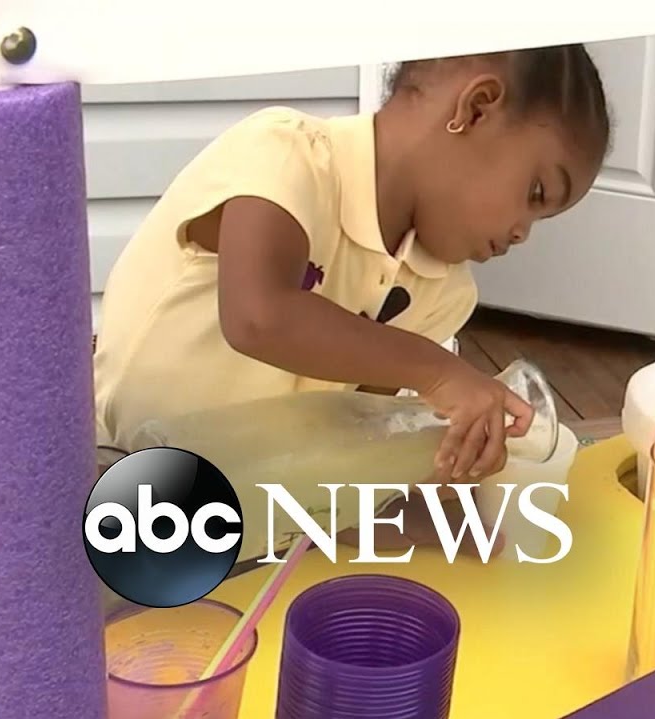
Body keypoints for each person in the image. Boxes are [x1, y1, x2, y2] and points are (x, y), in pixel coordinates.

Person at [92, 45, 611, 551]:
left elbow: (349, 436)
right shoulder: (286, 155)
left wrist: (443, 466)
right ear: (474, 109)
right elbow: (258, 316)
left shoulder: (442, 291)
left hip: (236, 525)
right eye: (536, 194)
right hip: (107, 477)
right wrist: (439, 372)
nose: (524, 232)